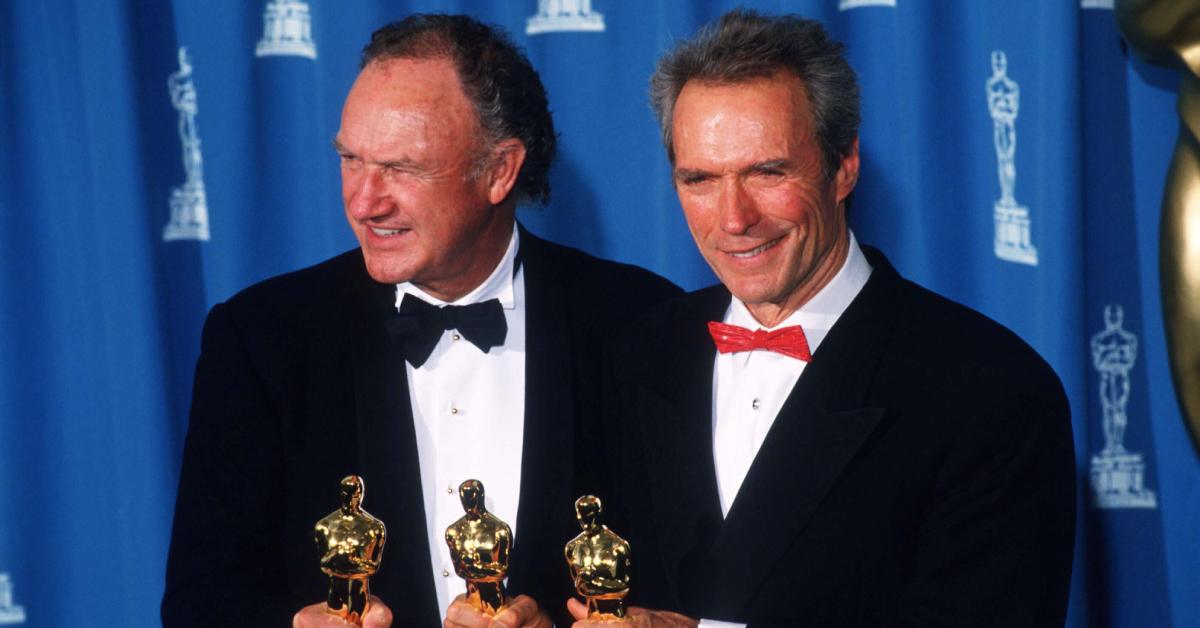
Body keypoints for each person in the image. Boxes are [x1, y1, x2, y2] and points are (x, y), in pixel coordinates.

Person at [161, 14, 679, 628]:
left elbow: (688, 587)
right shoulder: (261, 338)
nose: (364, 201)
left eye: (402, 168)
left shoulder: (643, 324)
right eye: (351, 159)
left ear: (500, 170)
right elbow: (202, 603)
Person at [585, 10, 1076, 627]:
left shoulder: (991, 389)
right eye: (701, 179)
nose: (734, 219)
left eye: (768, 172)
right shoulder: (637, 355)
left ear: (843, 166)